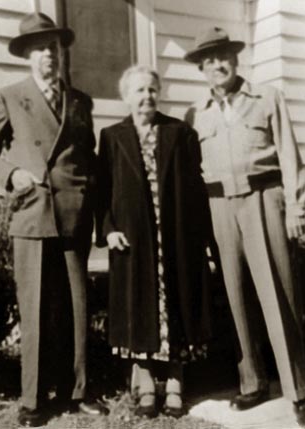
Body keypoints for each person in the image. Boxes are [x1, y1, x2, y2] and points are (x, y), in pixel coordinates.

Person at [0, 12, 108, 427]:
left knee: (76, 307)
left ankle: (77, 389)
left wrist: (100, 217)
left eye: (53, 46)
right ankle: (32, 399)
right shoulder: (9, 97)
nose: (48, 54)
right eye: (39, 47)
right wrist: (12, 175)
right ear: (27, 56)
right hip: (32, 214)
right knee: (33, 309)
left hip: (73, 215)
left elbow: (90, 161)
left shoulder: (81, 101)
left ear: (60, 52)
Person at [184, 27, 305, 429]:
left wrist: (296, 206)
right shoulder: (196, 114)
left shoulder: (267, 98)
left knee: (279, 296)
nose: (216, 65)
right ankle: (252, 381)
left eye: (222, 56)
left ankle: (298, 392)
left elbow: (289, 153)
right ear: (201, 69)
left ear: (236, 59)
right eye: (208, 61)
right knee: (235, 296)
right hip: (217, 207)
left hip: (263, 200)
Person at [96, 65, 211, 418]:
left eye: (151, 89)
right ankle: (145, 382)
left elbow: (195, 189)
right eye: (139, 90)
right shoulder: (112, 136)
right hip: (132, 238)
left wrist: (202, 239)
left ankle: (175, 382)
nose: (146, 96)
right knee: (138, 307)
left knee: (176, 306)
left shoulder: (179, 133)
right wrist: (108, 228)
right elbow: (102, 190)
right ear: (126, 96)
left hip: (175, 236)